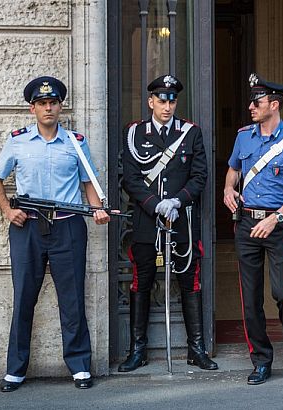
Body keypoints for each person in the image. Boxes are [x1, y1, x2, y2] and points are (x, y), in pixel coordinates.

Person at [0, 76, 111, 391]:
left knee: (72, 300)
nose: (48, 108)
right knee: (24, 299)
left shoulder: (76, 142)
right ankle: (15, 369)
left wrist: (97, 209)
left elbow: (88, 184)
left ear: (60, 106)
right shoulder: (17, 141)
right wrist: (6, 209)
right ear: (33, 108)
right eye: (42, 103)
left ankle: (80, 366)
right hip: (27, 227)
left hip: (68, 225)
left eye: (53, 103)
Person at [223, 73, 283, 385]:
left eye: (257, 102)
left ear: (274, 105)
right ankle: (261, 360)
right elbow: (234, 169)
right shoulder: (243, 137)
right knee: (250, 298)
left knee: (282, 292)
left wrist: (275, 218)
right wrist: (228, 189)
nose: (251, 106)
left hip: (278, 225)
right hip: (247, 223)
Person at [120, 75, 217, 372]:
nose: (167, 105)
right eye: (161, 100)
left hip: (182, 220)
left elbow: (200, 176)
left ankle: (196, 348)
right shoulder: (135, 133)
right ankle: (138, 350)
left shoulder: (191, 133)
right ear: (151, 101)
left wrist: (177, 201)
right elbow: (130, 178)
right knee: (142, 281)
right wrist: (153, 204)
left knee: (190, 281)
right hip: (147, 222)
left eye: (172, 100)